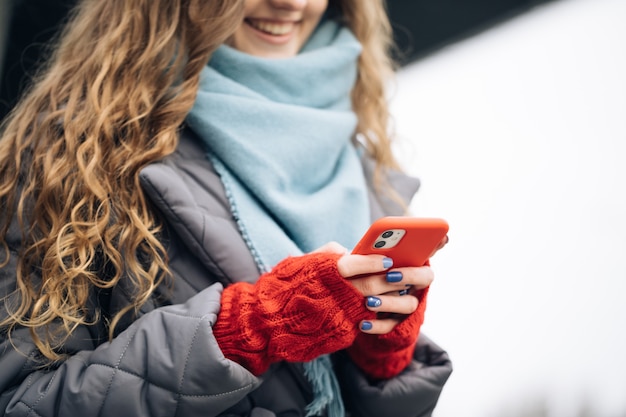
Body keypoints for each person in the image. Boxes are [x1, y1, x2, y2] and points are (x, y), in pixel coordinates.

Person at [0, 0, 452, 416]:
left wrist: (383, 359)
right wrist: (245, 331)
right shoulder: (65, 159)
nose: (292, 3)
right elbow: (20, 401)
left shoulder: (357, 155)